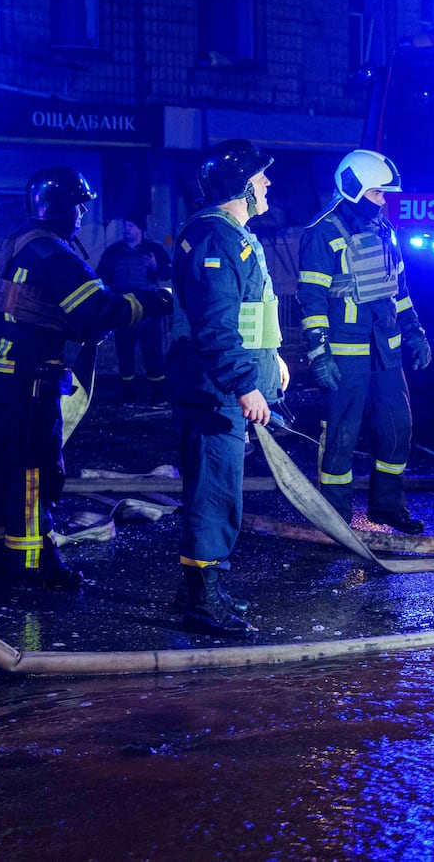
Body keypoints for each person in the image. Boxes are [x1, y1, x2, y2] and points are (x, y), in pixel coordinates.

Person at [0, 166, 158, 589]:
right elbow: (99, 310)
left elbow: (36, 309)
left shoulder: (17, 243)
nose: (83, 214)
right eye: (79, 205)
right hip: (26, 380)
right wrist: (151, 302)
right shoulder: (56, 254)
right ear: (59, 206)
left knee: (2, 469)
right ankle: (35, 565)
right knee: (36, 472)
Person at [168, 138, 286, 635]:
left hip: (224, 387)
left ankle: (204, 589)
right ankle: (201, 601)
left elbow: (246, 316)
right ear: (240, 185)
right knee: (214, 496)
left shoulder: (229, 235)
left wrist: (272, 358)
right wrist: (244, 385)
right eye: (260, 177)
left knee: (220, 492)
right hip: (215, 392)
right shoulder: (217, 239)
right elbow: (216, 329)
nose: (267, 183)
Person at [296, 148, 431, 535]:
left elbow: (398, 289)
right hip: (346, 351)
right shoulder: (322, 232)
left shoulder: (384, 230)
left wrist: (414, 332)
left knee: (397, 426)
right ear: (354, 189)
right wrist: (319, 352)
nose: (383, 201)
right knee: (342, 433)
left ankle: (388, 507)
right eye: (377, 193)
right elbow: (312, 298)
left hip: (385, 349)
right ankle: (335, 518)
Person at [94, 216, 173, 405]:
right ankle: (127, 392)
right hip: (122, 308)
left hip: (150, 309)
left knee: (153, 350)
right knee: (124, 350)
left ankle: (158, 392)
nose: (126, 229)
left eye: (130, 226)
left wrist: (155, 265)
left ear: (140, 230)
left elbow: (168, 273)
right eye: (124, 226)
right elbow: (101, 277)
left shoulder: (153, 250)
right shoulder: (113, 252)